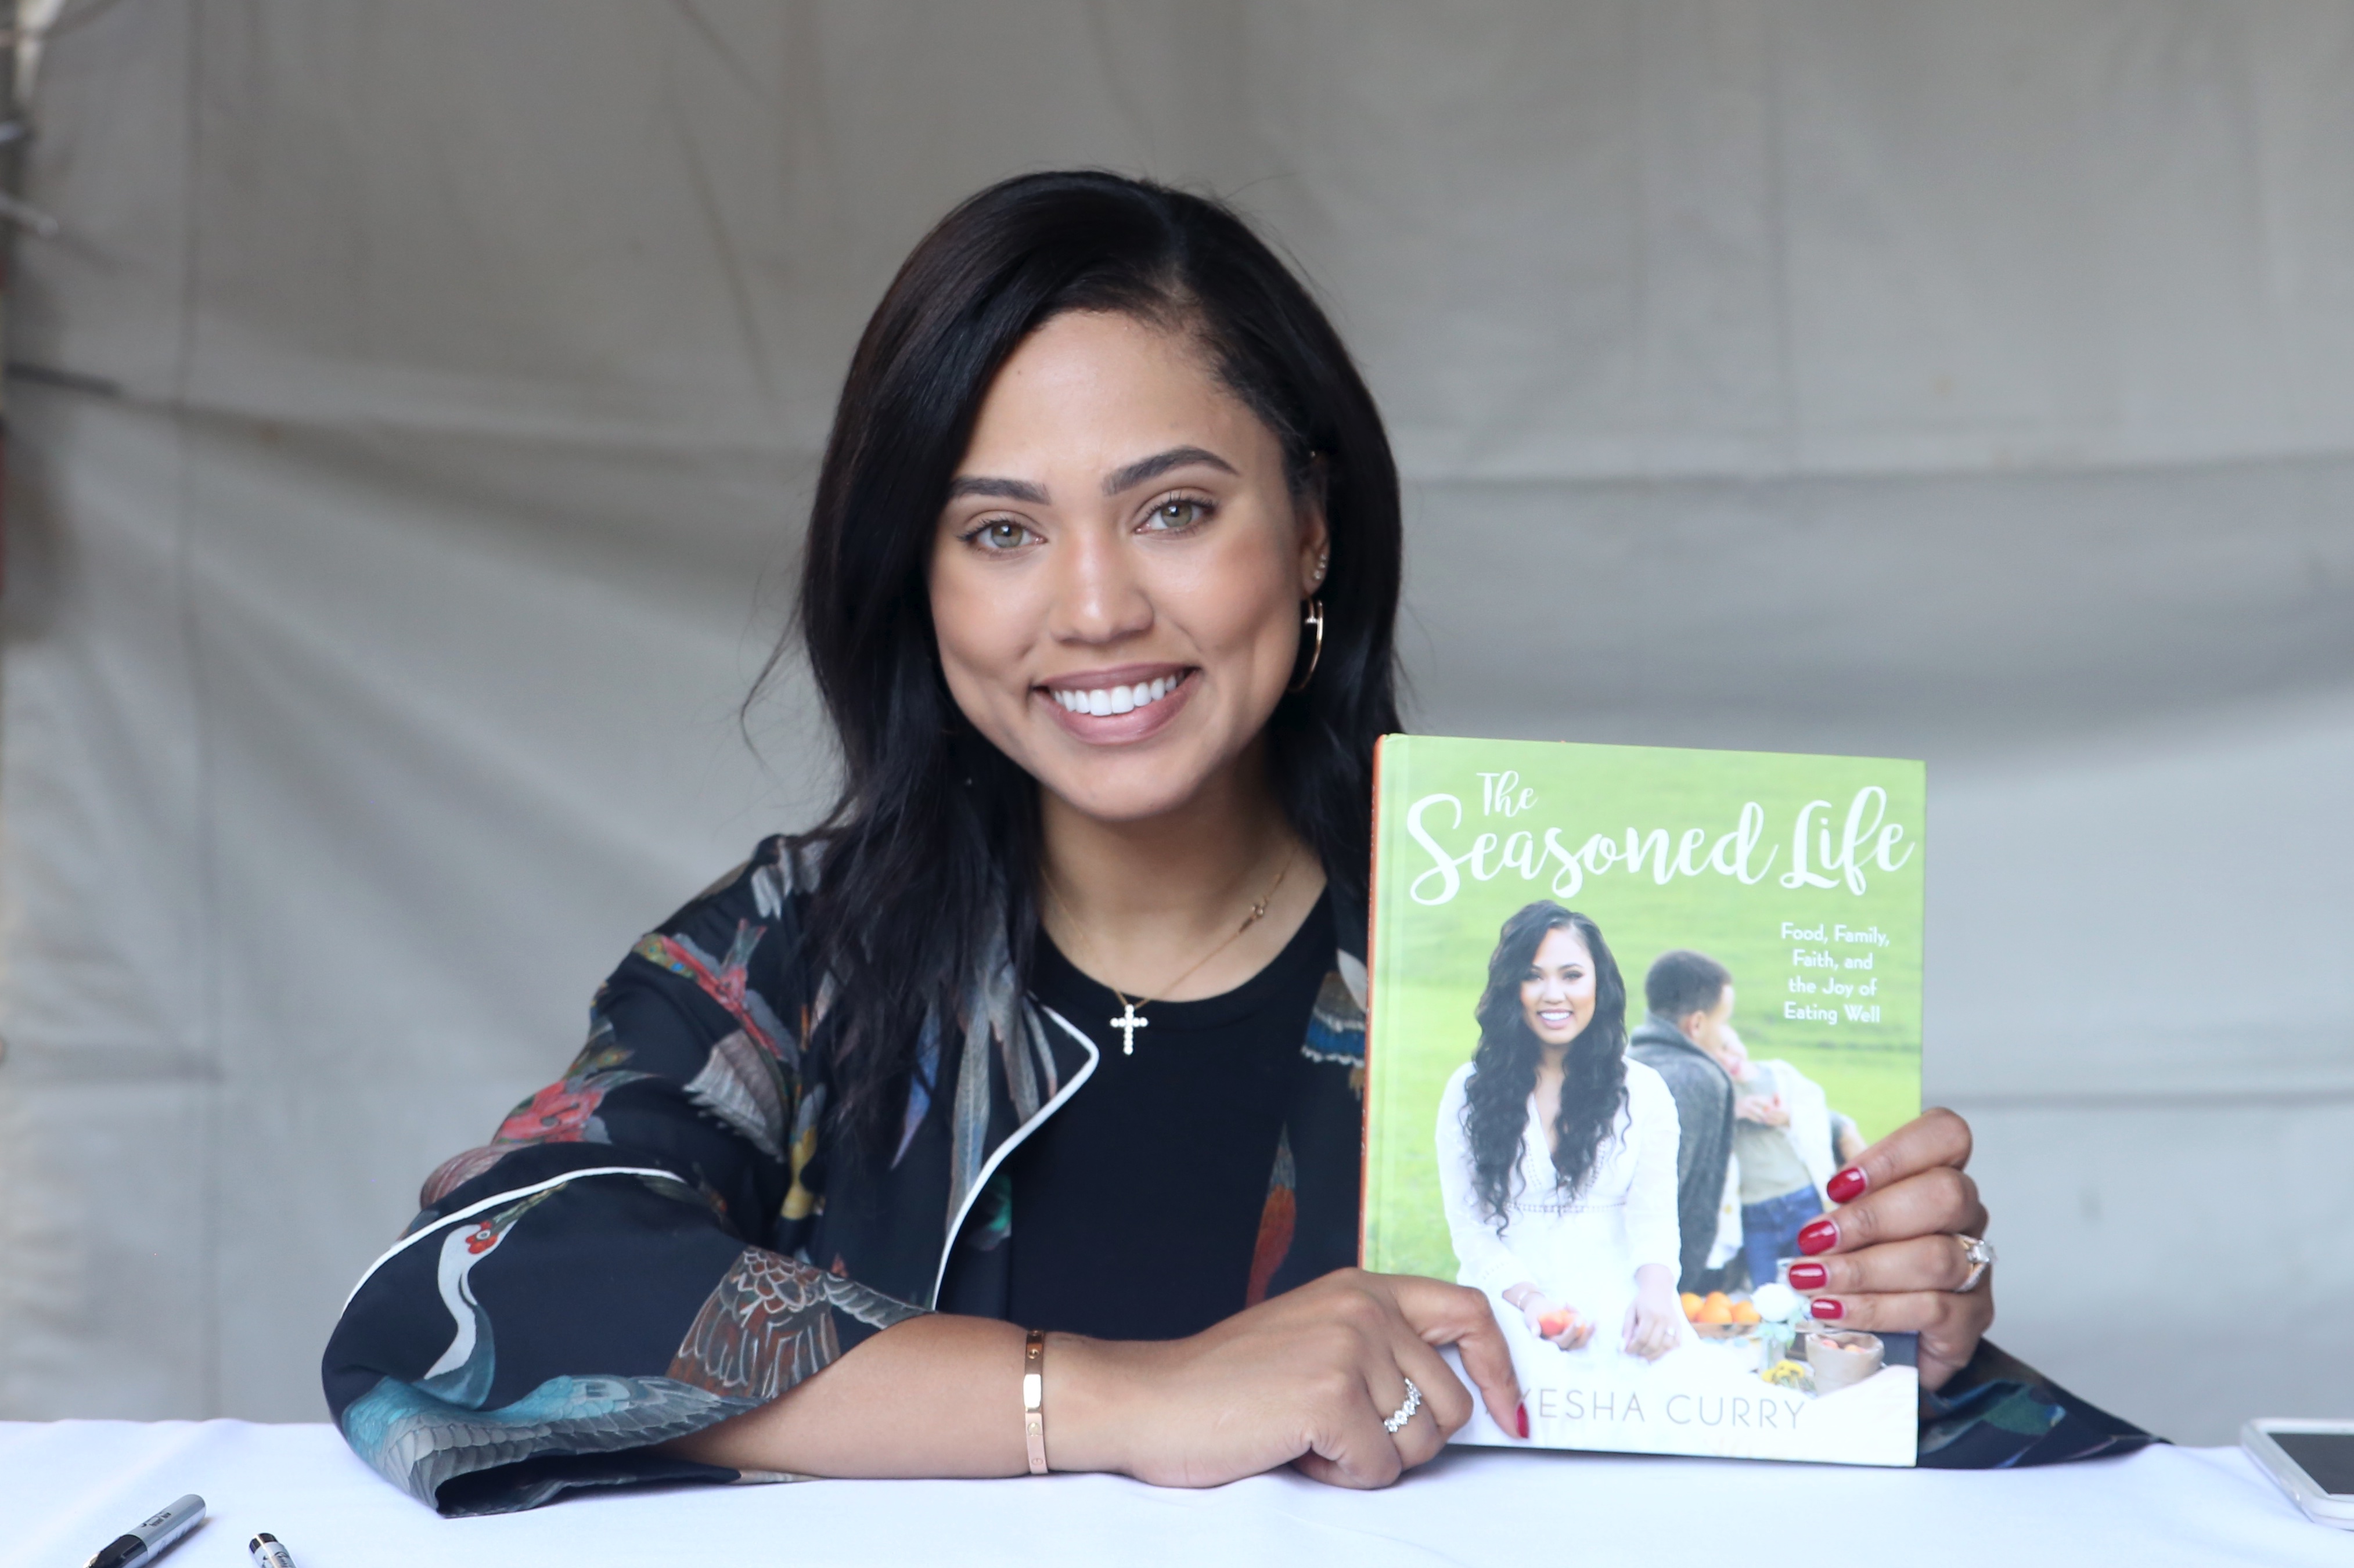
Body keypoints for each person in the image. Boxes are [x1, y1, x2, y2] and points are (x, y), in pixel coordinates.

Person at [322, 170, 2135, 1517]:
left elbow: (1775, 1414)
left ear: (1312, 530)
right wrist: (1120, 1397)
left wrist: (1905, 1341)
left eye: (1174, 510)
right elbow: (467, 1299)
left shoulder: (1512, 945)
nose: (1095, 607)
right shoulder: (802, 942)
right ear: (917, 579)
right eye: (1000, 531)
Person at [1435, 904, 1683, 1364]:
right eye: (1534, 976)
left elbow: (1655, 1219)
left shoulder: (1645, 1090)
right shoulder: (1468, 1089)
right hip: (1505, 1311)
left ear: (1599, 984)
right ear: (1513, 988)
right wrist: (1533, 1303)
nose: (1554, 994)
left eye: (1571, 975)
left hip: (1622, 1320)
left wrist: (1655, 1295)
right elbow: (1471, 1230)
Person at [1626, 950, 1738, 1293]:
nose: (1725, 1035)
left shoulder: (1629, 1061)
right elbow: (1676, 1193)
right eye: (1723, 1022)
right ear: (1698, 1024)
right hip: (1666, 1278)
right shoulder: (1699, 1079)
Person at [1710, 1020, 1841, 1292]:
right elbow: (1706, 1136)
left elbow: (1814, 1110)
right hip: (1755, 1213)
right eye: (1715, 1057)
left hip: (1801, 1200)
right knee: (1767, 1292)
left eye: (1727, 1046)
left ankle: (1814, 1336)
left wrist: (1788, 1116)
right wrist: (1732, 1113)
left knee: (1813, 1282)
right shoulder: (1719, 1094)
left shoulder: (1778, 1075)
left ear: (1737, 1036)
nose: (1726, 1058)